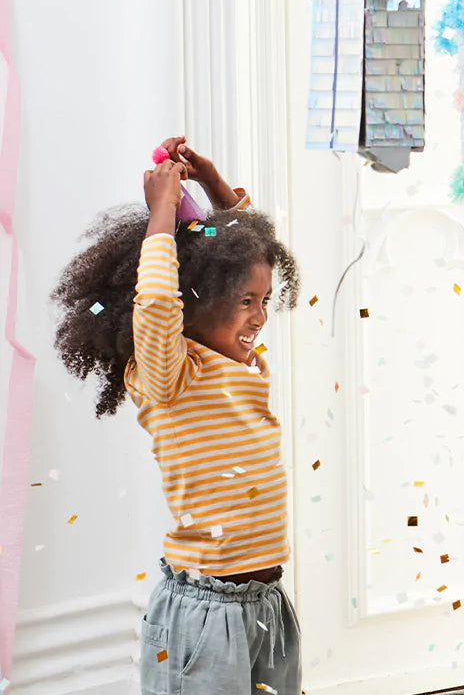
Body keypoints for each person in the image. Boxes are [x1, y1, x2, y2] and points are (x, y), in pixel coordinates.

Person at [52, 136, 303, 694]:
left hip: (267, 598)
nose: (260, 316)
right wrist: (162, 212)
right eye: (246, 302)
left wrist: (213, 185)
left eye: (263, 300)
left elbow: (251, 252)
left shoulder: (243, 362)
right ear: (192, 305)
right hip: (206, 610)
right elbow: (159, 303)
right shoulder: (170, 375)